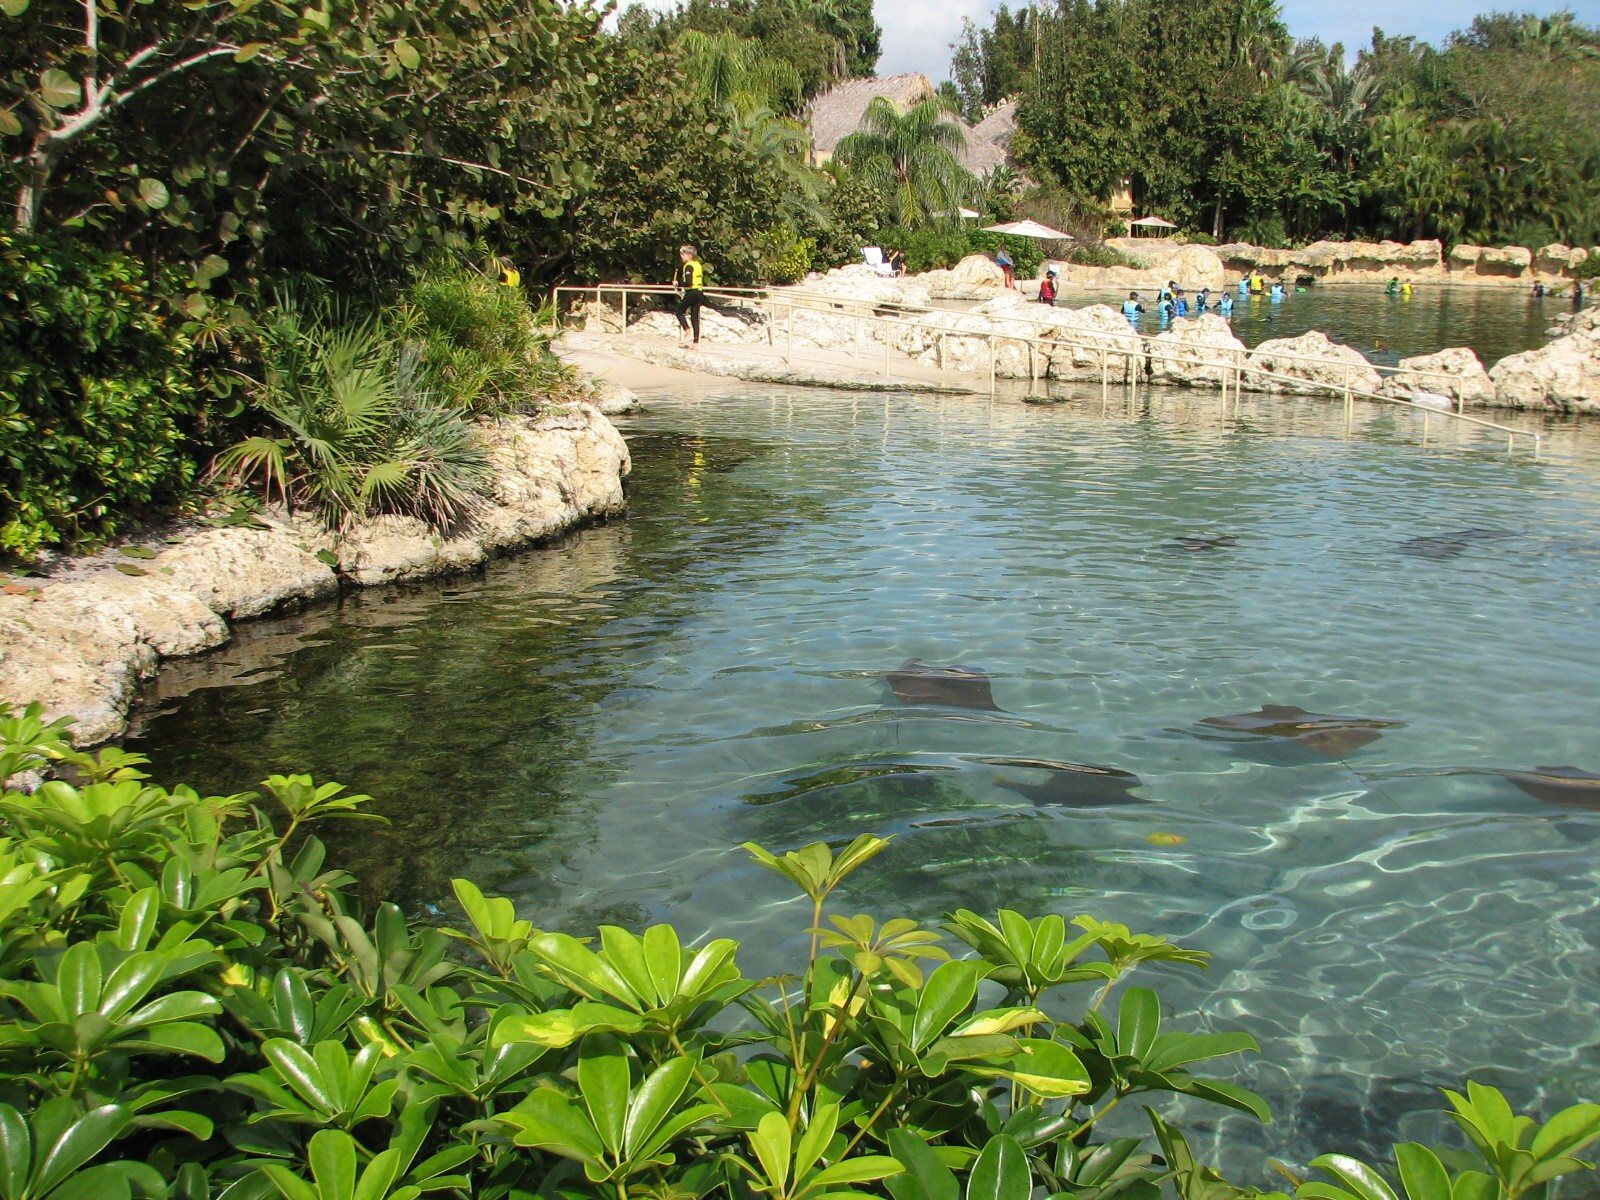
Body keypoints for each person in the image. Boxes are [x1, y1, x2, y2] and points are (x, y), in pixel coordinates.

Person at [674, 244, 705, 348]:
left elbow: (688, 282)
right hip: (700, 291)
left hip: (692, 292)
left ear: (689, 255)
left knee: (679, 311)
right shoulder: (698, 264)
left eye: (683, 254)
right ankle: (696, 344)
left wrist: (678, 283)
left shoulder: (689, 265)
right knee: (695, 317)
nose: (681, 256)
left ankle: (688, 332)